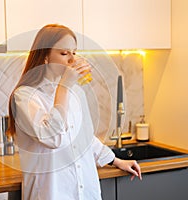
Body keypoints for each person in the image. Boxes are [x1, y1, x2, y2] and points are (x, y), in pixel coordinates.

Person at [9, 24, 142, 200]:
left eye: (74, 52)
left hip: (85, 191)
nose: (72, 60)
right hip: (52, 193)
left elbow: (84, 137)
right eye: (64, 53)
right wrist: (64, 86)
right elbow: (52, 137)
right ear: (45, 57)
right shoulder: (24, 97)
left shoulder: (75, 93)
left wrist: (115, 160)